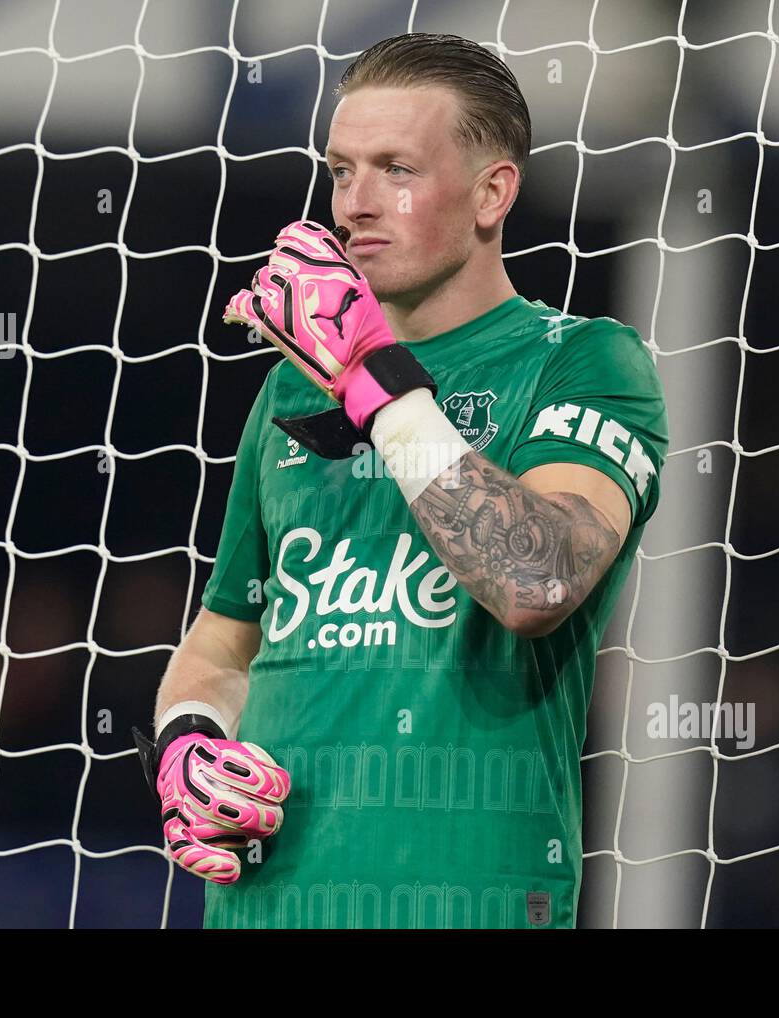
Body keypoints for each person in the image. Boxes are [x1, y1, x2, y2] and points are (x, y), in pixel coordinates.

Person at [133, 31, 668, 929]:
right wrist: (190, 735)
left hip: (466, 904)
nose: (354, 206)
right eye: (342, 171)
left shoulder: (585, 361)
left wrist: (373, 384)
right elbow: (228, 639)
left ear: (493, 192)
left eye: (396, 169)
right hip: (262, 907)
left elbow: (536, 580)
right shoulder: (289, 388)